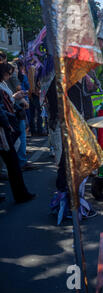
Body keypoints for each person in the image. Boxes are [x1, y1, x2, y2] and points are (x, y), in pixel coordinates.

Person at [0, 62, 36, 204]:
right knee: (12, 163)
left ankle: (21, 193)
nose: (9, 76)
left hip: (5, 125)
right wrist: (8, 124)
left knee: (12, 162)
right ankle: (21, 194)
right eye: (8, 73)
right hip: (3, 129)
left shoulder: (3, 84)